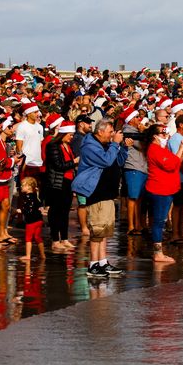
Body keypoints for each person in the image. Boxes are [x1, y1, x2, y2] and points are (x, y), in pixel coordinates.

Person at [72, 118, 129, 277]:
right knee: (97, 230)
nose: (112, 135)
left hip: (108, 193)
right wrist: (116, 144)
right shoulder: (89, 146)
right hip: (97, 192)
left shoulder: (107, 144)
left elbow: (118, 161)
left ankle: (103, 261)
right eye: (110, 132)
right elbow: (106, 160)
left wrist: (123, 147)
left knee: (105, 229)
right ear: (100, 131)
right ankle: (93, 264)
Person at [144, 124, 183, 264]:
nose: (165, 137)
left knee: (160, 221)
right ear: (154, 136)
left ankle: (159, 251)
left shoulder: (162, 149)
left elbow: (175, 163)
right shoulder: (155, 149)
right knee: (158, 221)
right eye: (162, 134)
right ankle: (158, 253)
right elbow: (170, 165)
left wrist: (181, 152)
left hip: (166, 188)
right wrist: (180, 150)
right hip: (159, 189)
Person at [44, 120, 78, 250]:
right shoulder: (53, 146)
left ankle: (64, 238)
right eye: (70, 134)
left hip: (68, 182)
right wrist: (74, 162)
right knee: (55, 211)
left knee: (64, 211)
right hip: (57, 183)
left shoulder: (68, 146)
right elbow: (58, 165)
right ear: (64, 133)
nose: (72, 137)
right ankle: (54, 240)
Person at [166, 114, 183, 245]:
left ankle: (181, 233)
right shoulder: (176, 139)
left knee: (182, 206)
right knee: (178, 206)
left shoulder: (181, 138)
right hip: (179, 177)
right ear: (181, 125)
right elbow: (179, 160)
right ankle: (176, 234)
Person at [121, 110, 148, 236]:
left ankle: (138, 224)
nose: (139, 119)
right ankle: (131, 225)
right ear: (131, 120)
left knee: (139, 198)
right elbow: (143, 146)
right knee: (133, 197)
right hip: (133, 167)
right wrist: (144, 132)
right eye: (137, 117)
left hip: (141, 167)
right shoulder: (129, 131)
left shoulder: (136, 131)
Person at [0, 116, 20, 247]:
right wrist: (13, 161)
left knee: (5, 206)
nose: (12, 129)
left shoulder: (3, 142)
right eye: (9, 127)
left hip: (4, 177)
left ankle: (2, 233)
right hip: (0, 178)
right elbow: (0, 162)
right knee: (1, 206)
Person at [18, 177, 45, 262]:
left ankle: (28, 255)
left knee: (28, 238)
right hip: (39, 220)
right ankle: (42, 255)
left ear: (29, 187)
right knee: (37, 237)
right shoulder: (36, 195)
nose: (21, 187)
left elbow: (29, 209)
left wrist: (21, 210)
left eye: (23, 185)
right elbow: (39, 205)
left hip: (31, 221)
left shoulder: (28, 197)